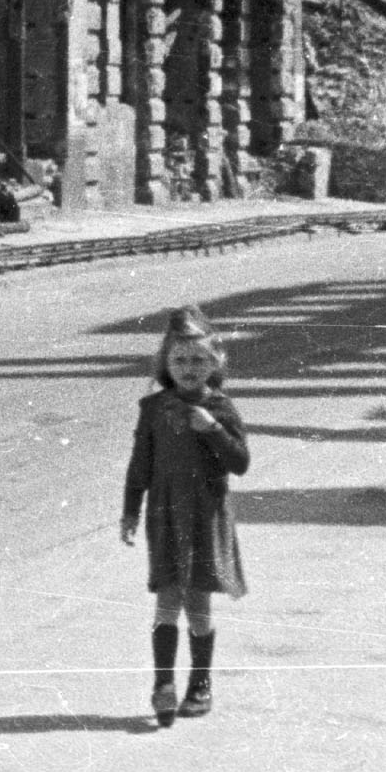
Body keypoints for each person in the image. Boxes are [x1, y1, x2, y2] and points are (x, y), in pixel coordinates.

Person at [119, 307, 251, 725]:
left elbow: (241, 463)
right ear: (165, 364)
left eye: (198, 360)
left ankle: (200, 682)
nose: (188, 368)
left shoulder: (221, 408)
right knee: (167, 599)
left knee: (197, 601)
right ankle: (163, 686)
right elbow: (140, 464)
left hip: (205, 514)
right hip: (165, 514)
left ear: (215, 363)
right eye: (179, 360)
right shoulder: (154, 408)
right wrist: (129, 512)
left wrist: (212, 428)